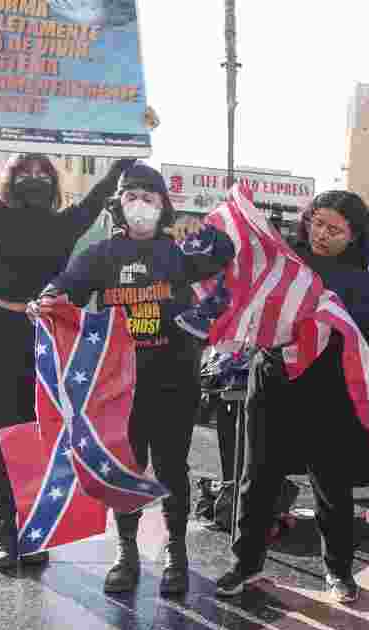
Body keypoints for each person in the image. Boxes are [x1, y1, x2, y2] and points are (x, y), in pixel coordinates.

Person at [31, 162, 236, 596]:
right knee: (125, 467)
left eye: (149, 198)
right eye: (131, 197)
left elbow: (225, 252)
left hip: (174, 377)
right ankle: (126, 552)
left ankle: (176, 553)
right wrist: (48, 298)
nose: (139, 205)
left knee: (171, 468)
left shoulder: (179, 251)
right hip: (118, 384)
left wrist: (190, 227)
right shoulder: (103, 254)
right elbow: (67, 283)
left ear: (163, 207)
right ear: (118, 207)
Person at [0, 146, 137, 569]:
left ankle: (34, 529)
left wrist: (120, 161)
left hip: (47, 335)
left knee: (41, 435)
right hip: (2, 336)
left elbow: (98, 195)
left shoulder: (67, 223)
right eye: (25, 169)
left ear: (54, 181)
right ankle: (6, 531)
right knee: (6, 435)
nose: (35, 175)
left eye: (44, 170)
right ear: (11, 177)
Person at [215, 191, 369, 602]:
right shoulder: (281, 258)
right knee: (255, 478)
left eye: (335, 229)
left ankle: (338, 571)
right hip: (271, 379)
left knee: (331, 484)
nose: (322, 234)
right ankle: (245, 563)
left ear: (354, 236)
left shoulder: (359, 281)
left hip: (330, 388)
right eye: (317, 222)